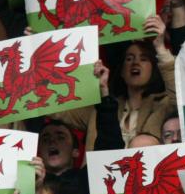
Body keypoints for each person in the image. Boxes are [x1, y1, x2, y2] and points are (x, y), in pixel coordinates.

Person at [54, 17, 175, 149]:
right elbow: (56, 108)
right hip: (101, 169)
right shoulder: (100, 110)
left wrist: (160, 47)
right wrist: (33, 45)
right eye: (129, 58)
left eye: (144, 59)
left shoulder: (164, 105)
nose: (135, 62)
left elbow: (179, 92)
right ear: (122, 71)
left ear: (154, 69)